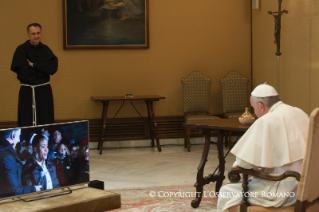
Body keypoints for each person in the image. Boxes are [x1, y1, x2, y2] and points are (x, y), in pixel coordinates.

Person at [217, 84, 310, 212]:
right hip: (308, 186)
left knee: (226, 191)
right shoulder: (299, 112)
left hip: (285, 192)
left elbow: (242, 164)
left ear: (261, 106)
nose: (255, 113)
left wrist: (236, 168)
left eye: (254, 108)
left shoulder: (267, 120)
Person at [10, 23, 58, 127]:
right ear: (28, 35)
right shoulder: (21, 50)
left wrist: (34, 65)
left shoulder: (46, 50)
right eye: (33, 34)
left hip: (44, 91)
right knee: (27, 119)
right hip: (28, 91)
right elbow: (23, 73)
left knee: (46, 119)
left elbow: (53, 68)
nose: (36, 36)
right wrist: (43, 70)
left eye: (38, 33)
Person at [0, 129, 41, 198]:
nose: (19, 140)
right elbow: (14, 190)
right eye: (18, 136)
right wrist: (34, 189)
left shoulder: (5, 152)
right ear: (13, 135)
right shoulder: (7, 158)